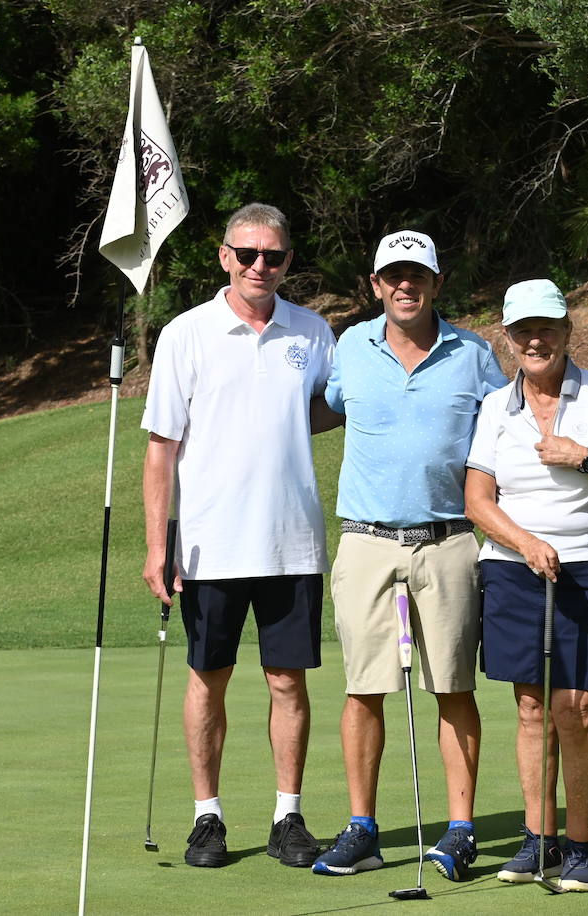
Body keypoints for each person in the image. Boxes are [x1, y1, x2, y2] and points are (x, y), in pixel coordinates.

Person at [140, 203, 339, 870]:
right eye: (247, 254)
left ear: (287, 261)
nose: (261, 266)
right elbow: (161, 449)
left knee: (288, 683)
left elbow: (328, 408)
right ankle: (207, 818)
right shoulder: (185, 333)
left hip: (292, 541)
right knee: (208, 680)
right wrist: (154, 547)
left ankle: (288, 816)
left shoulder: (312, 331)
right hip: (208, 543)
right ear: (223, 256)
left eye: (273, 256)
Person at [311, 230, 507, 882]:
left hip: (449, 540)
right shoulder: (350, 349)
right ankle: (362, 828)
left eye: (416, 274)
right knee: (365, 689)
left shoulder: (473, 354)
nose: (405, 285)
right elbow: (319, 409)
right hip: (366, 540)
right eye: (393, 275)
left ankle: (460, 831)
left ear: (435, 282)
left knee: (453, 686)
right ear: (375, 285)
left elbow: (508, 435)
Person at [464, 279, 588, 892]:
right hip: (515, 567)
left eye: (547, 327)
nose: (536, 340)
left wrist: (587, 458)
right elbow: (477, 499)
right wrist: (524, 542)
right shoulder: (496, 407)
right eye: (523, 331)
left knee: (579, 708)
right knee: (530, 707)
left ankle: (580, 844)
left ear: (568, 330)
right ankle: (537, 838)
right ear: (509, 339)